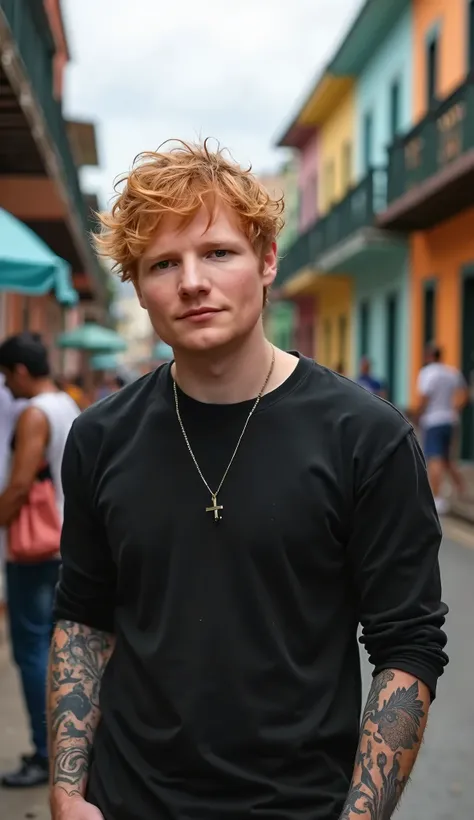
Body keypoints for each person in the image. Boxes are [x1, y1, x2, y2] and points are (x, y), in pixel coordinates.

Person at [48, 141, 448, 820]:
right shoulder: (100, 436)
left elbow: (407, 646)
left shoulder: (368, 437)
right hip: (127, 803)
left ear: (266, 261)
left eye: (218, 253)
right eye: (163, 264)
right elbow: (84, 619)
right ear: (139, 287)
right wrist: (64, 791)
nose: (193, 282)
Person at [0, 333, 79, 788]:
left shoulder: (35, 413)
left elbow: (19, 484)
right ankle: (69, 748)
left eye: (7, 376)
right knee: (60, 649)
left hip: (35, 548)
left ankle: (45, 751)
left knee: (32, 650)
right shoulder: (67, 405)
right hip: (64, 542)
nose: (7, 387)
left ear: (22, 371)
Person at [417, 343, 469, 515]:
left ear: (429, 356)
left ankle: (437, 498)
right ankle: (462, 490)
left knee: (435, 460)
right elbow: (465, 393)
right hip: (450, 420)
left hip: (433, 420)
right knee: (448, 459)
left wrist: (418, 415)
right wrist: (456, 408)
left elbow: (424, 397)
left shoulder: (427, 373)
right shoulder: (451, 372)